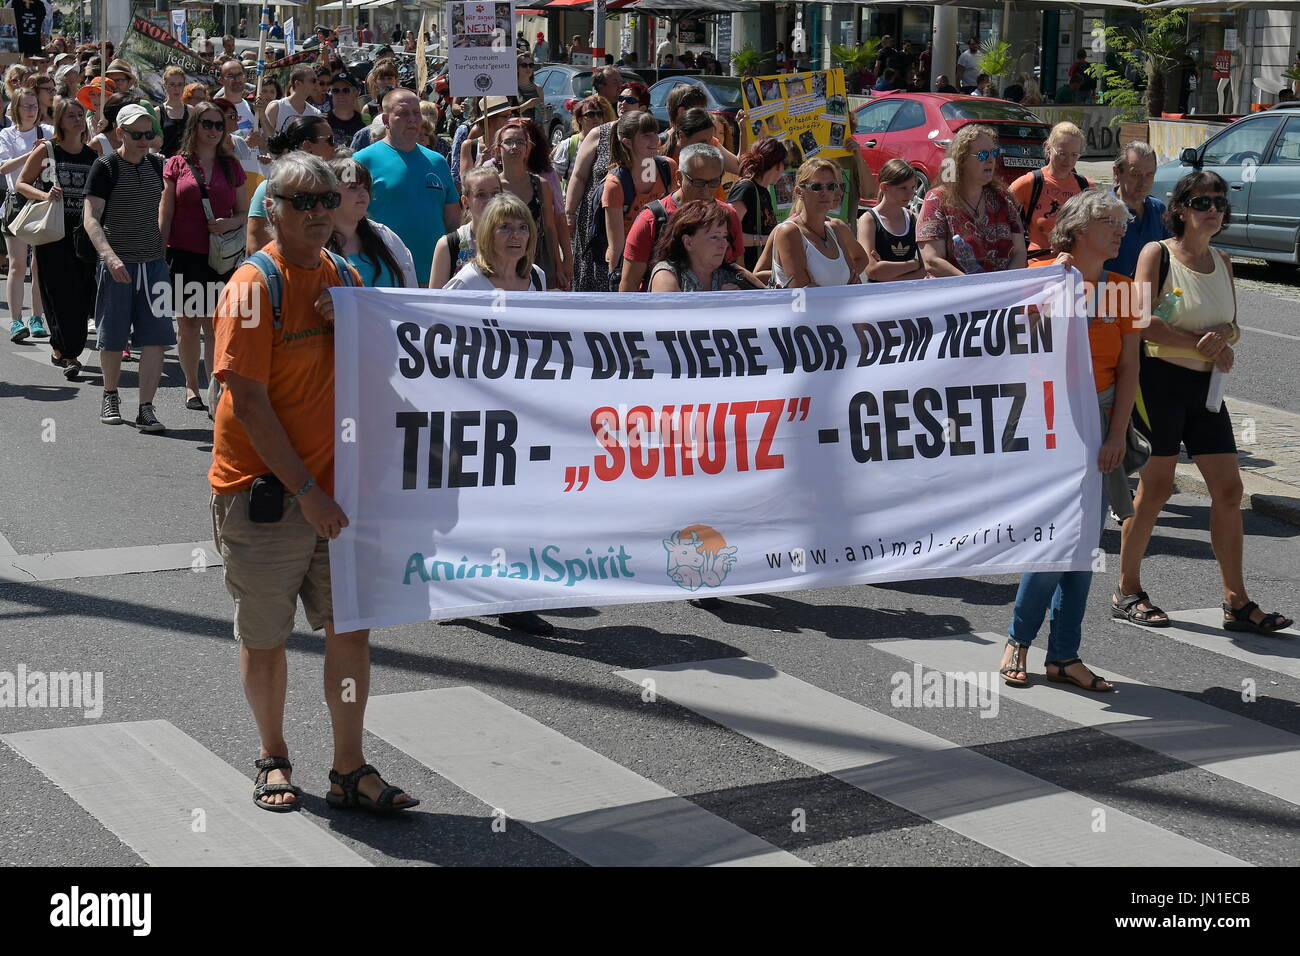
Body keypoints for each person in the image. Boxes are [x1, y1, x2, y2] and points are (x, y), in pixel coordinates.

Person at [210, 152, 420, 815]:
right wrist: (309, 493)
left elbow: (386, 372)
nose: (318, 212)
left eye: (328, 199)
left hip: (338, 496)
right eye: (301, 201)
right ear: (271, 209)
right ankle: (273, 756)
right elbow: (247, 400)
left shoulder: (345, 275)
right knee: (266, 636)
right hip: (267, 494)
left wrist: (352, 326)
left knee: (349, 632)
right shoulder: (253, 285)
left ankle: (348, 767)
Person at [1116, 172, 1293, 636]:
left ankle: (1236, 601)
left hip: (1206, 391)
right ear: (1180, 209)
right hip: (1158, 385)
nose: (1212, 208)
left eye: (1218, 201)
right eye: (1200, 201)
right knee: (1156, 491)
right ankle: (1127, 590)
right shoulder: (1157, 253)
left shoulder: (1223, 259)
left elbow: (1230, 325)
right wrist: (1201, 344)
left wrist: (1223, 341)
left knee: (1229, 491)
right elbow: (1139, 320)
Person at [999, 188, 1140, 692]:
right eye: (1109, 221)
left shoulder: (1124, 288)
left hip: (1101, 419)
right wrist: (1055, 287)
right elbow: (1010, 345)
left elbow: (1129, 367)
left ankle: (1064, 655)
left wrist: (1118, 433)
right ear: (1078, 228)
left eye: (1123, 222)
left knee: (1084, 545)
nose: (1120, 230)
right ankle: (1018, 640)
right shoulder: (1043, 279)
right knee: (1054, 537)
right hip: (1052, 420)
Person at [83, 103, 174, 433]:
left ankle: (146, 408)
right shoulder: (106, 167)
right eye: (137, 134)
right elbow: (91, 219)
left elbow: (166, 209)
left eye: (149, 133)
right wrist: (109, 256)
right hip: (117, 264)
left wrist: (162, 248)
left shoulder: (155, 165)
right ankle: (110, 394)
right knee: (112, 336)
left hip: (153, 264)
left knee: (156, 338)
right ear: (120, 133)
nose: (144, 139)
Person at [159, 101, 249, 412]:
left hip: (219, 258)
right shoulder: (176, 164)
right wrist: (159, 249)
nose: (213, 130)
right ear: (194, 126)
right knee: (186, 324)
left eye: (218, 125)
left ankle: (212, 388)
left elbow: (244, 212)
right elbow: (166, 211)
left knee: (213, 324)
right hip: (183, 252)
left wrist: (229, 223)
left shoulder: (231, 165)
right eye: (206, 124)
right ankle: (190, 385)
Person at [15, 94, 95, 377]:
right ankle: (70, 353)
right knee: (59, 294)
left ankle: (62, 349)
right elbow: (22, 183)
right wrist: (44, 195)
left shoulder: (92, 156)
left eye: (80, 114)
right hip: (53, 232)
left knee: (83, 294)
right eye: (71, 115)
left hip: (84, 234)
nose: (77, 119)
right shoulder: (48, 150)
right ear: (60, 120)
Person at [355, 88, 460, 285]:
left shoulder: (437, 162)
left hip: (434, 278)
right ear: (386, 120)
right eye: (403, 113)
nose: (412, 119)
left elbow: (452, 221)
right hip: (383, 278)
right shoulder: (362, 161)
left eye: (416, 113)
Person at [620, 143, 742, 292]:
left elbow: (737, 272)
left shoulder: (728, 215)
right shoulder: (651, 219)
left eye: (713, 182)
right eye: (697, 182)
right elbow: (628, 286)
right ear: (679, 177)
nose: (706, 190)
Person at [565, 82, 650, 292]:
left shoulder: (649, 138)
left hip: (632, 219)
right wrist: (569, 213)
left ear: (643, 108)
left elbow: (651, 182)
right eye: (620, 98)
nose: (622, 103)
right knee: (593, 277)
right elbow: (579, 175)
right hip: (595, 219)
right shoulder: (600, 134)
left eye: (630, 100)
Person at [917, 124, 1027, 276]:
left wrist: (1002, 287)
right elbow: (932, 260)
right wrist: (976, 288)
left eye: (993, 153)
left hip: (1001, 294)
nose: (990, 160)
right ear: (961, 160)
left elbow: (1020, 253)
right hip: (957, 294)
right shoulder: (937, 200)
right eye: (982, 155)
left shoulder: (1004, 199)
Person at [767, 158, 868, 288]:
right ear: (799, 192)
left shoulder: (835, 229)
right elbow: (804, 293)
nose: (825, 192)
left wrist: (851, 281)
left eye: (831, 186)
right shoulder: (789, 231)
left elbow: (852, 275)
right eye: (817, 187)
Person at [601, 110, 674, 290]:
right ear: (627, 142)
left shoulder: (667, 168)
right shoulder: (615, 184)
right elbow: (616, 245)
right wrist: (615, 283)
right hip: (631, 262)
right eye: (646, 135)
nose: (655, 140)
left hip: (662, 260)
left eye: (655, 133)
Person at [0, 87, 51, 343]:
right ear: (16, 108)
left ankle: (37, 318)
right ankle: (17, 319)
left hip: (42, 201)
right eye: (26, 106)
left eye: (34, 106)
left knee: (38, 265)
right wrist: (32, 154)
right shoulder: (6, 134)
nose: (31, 111)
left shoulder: (48, 132)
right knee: (17, 264)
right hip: (16, 202)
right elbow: (3, 167)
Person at [488, 118, 564, 289]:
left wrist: (558, 265)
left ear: (528, 148)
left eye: (520, 142)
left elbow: (550, 227)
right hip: (500, 262)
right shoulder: (492, 185)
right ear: (498, 149)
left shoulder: (541, 184)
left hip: (536, 260)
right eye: (508, 142)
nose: (514, 147)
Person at [246, 115, 335, 254]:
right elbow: (255, 249)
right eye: (330, 140)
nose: (335, 146)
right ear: (307, 146)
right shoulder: (269, 188)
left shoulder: (334, 185)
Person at [327, 156, 416, 288]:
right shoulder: (315, 242)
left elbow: (410, 290)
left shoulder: (386, 236)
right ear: (331, 195)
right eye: (353, 187)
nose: (363, 193)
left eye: (365, 187)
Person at [1010, 121, 1092, 256]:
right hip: (1039, 265)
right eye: (1062, 153)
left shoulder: (1086, 187)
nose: (1068, 161)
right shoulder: (1031, 182)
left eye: (1074, 155)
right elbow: (998, 212)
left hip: (1074, 267)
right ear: (1049, 148)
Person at [647, 199, 756, 293]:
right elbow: (670, 315)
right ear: (688, 242)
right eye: (714, 237)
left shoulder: (734, 274)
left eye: (724, 237)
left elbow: (768, 300)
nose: (724, 244)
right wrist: (720, 302)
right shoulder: (667, 275)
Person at [429, 165, 502, 288]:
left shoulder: (515, 239)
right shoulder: (448, 245)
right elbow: (435, 300)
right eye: (481, 195)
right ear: (465, 201)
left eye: (495, 193)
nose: (490, 200)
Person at [1105, 141, 1167, 278]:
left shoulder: (1158, 209)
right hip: (1110, 295)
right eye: (1136, 174)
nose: (1143, 182)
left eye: (1149, 175)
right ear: (1117, 173)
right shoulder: (1100, 212)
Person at [856, 158, 924, 282]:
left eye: (912, 187)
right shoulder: (868, 220)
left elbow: (925, 269)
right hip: (879, 296)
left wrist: (887, 272)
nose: (910, 194)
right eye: (903, 188)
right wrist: (914, 264)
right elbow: (872, 270)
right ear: (884, 187)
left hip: (910, 295)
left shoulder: (914, 218)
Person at [727, 136, 784, 270]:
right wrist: (766, 239)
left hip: (756, 273)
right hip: (744, 274)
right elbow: (727, 232)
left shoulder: (764, 191)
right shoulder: (746, 188)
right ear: (778, 165)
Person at [552, 93, 611, 196]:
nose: (596, 118)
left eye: (599, 114)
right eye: (590, 115)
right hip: (574, 207)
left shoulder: (609, 144)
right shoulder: (569, 144)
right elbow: (554, 181)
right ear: (579, 119)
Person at [265, 65, 321, 133]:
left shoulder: (315, 113)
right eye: (313, 81)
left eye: (317, 80)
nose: (317, 84)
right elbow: (265, 139)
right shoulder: (276, 107)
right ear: (298, 83)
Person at [324, 71, 365, 146]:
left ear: (356, 92)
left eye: (346, 90)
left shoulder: (364, 122)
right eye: (336, 91)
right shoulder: (322, 121)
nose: (340, 95)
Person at [217, 58, 255, 136]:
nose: (236, 79)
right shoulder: (215, 108)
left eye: (239, 74)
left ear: (244, 77)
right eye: (230, 76)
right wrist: (243, 144)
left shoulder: (253, 108)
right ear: (221, 80)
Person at [158, 66, 190, 158]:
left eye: (180, 84)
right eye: (172, 84)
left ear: (184, 85)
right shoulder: (158, 112)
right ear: (165, 86)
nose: (176, 89)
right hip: (165, 163)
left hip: (187, 163)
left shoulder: (191, 111)